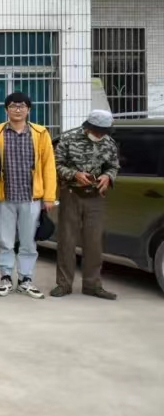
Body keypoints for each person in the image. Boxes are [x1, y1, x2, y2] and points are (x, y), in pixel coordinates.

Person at [0, 92, 56, 299]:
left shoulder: (40, 133)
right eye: (13, 106)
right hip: (4, 197)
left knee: (28, 241)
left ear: (29, 109)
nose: (17, 110)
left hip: (31, 197)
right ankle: (5, 277)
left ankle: (26, 279)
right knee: (5, 240)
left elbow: (48, 166)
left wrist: (49, 196)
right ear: (6, 109)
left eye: (22, 106)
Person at [52, 110, 120, 300]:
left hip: (96, 196)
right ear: (88, 127)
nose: (99, 135)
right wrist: (74, 174)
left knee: (94, 243)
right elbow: (56, 164)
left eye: (103, 132)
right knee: (67, 241)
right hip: (71, 194)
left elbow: (114, 166)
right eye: (97, 131)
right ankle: (64, 284)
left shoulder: (108, 142)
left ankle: (92, 285)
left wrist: (108, 176)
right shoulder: (68, 139)